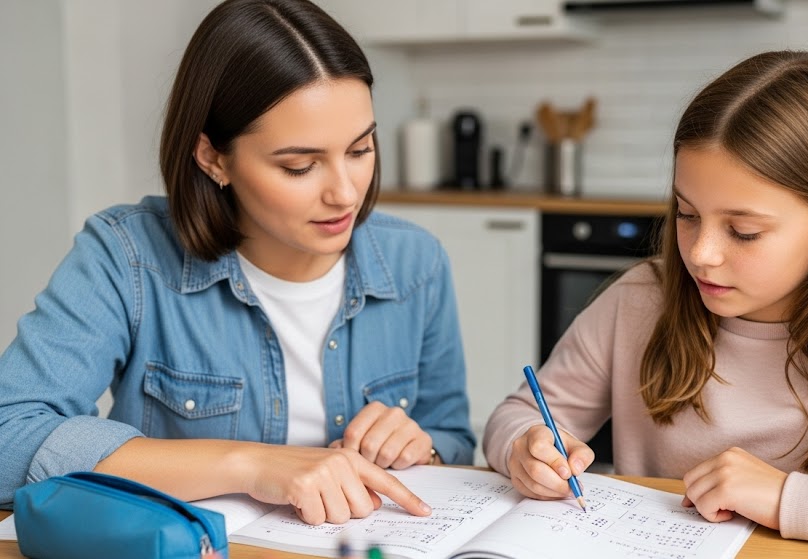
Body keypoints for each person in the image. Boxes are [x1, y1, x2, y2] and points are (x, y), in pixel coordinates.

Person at [484, 50, 808, 557]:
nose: (701, 254)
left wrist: (791, 499)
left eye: (743, 231)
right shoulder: (639, 301)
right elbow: (522, 414)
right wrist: (522, 449)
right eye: (688, 214)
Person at [0, 0, 475, 525]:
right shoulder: (127, 257)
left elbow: (452, 440)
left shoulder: (417, 263)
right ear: (213, 157)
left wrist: (421, 450)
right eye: (300, 166)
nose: (346, 194)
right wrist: (249, 464)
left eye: (361, 149)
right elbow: (8, 434)